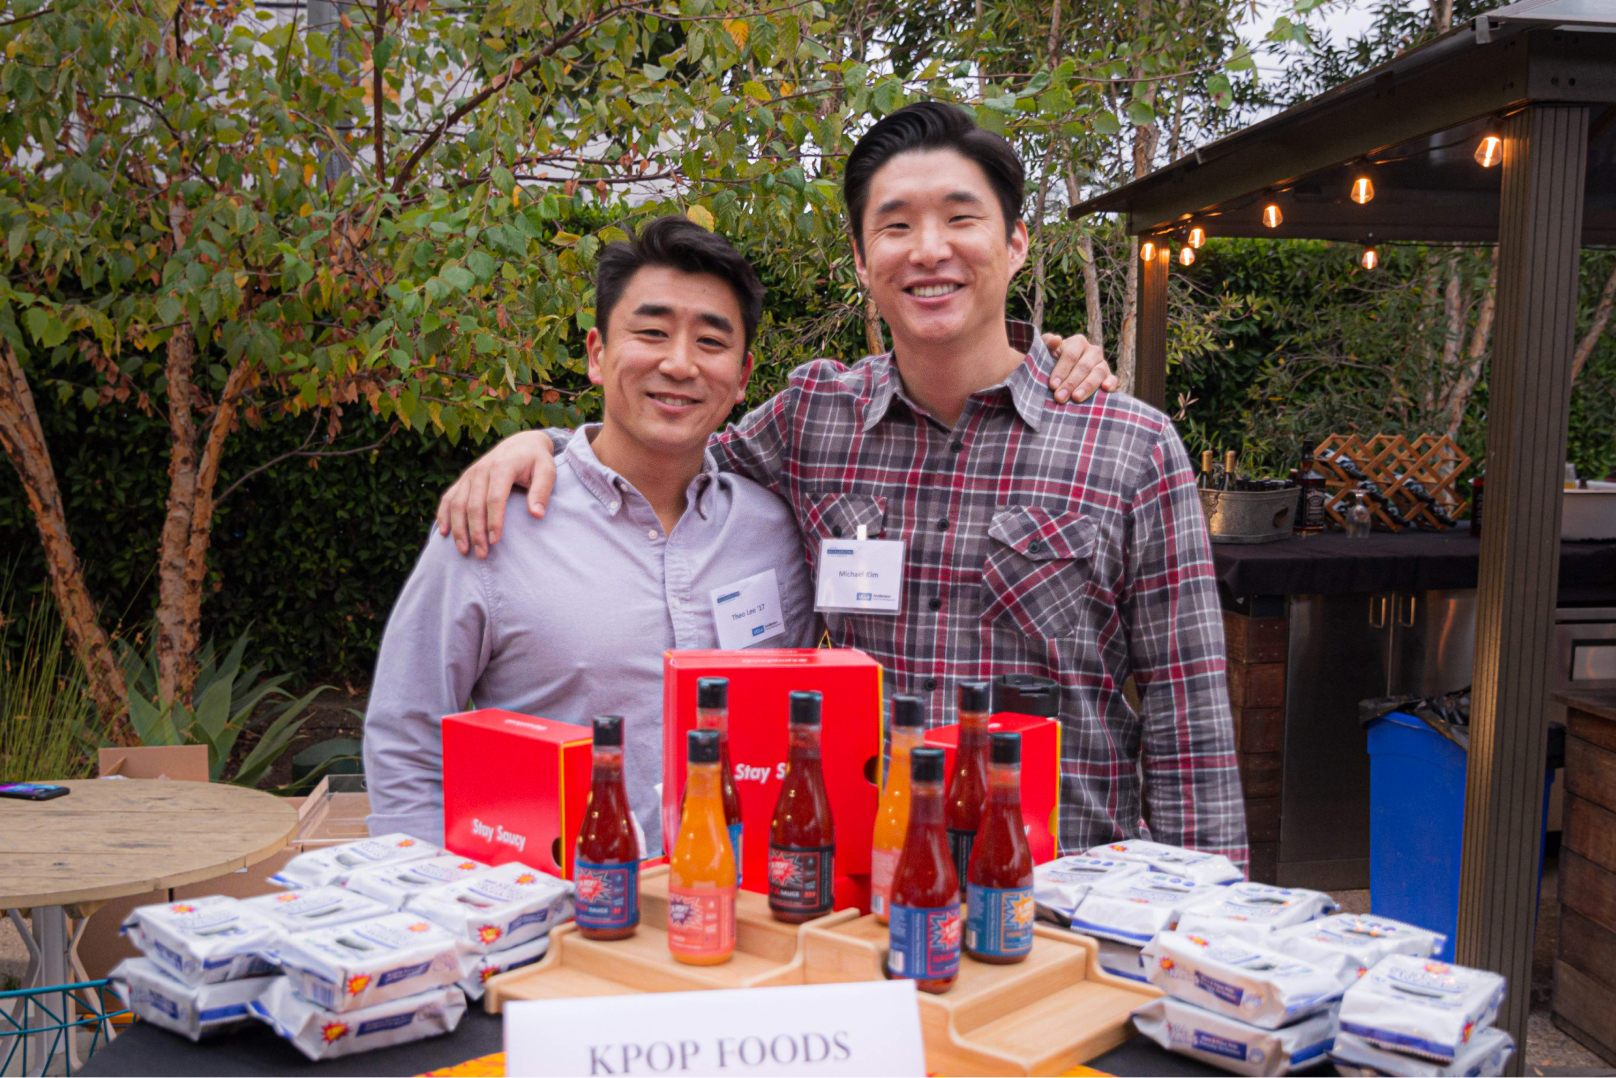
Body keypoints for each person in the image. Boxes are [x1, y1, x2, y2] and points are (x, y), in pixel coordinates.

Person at [435, 102, 1246, 864]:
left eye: (961, 218)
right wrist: (543, 445)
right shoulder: (814, 419)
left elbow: (1191, 725)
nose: (929, 250)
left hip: (1059, 897)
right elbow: (664, 456)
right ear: (862, 260)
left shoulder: (1129, 447)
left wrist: (1203, 943)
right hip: (863, 888)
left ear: (1017, 242)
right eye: (895, 226)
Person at [362, 217, 820, 851]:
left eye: (710, 343)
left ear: (742, 378)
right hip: (550, 917)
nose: (679, 363)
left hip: (736, 905)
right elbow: (407, 739)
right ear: (597, 354)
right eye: (652, 333)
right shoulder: (495, 521)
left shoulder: (772, 529)